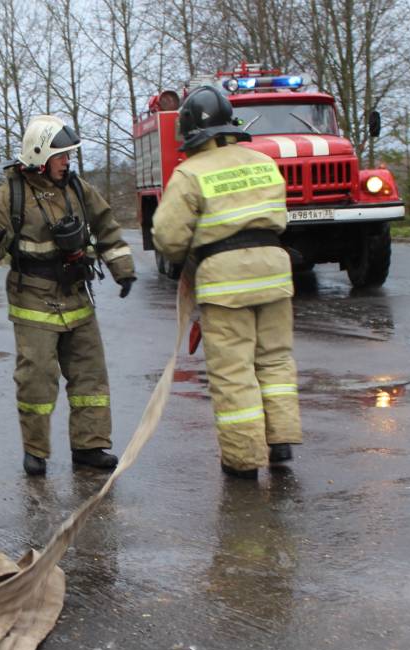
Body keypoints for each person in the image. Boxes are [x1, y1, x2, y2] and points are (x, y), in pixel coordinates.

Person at [0, 115, 136, 476]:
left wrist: (123, 269)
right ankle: (36, 451)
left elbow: (106, 226)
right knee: (37, 379)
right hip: (33, 299)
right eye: (62, 156)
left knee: (90, 376)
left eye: (69, 155)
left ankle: (90, 447)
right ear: (40, 155)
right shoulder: (12, 193)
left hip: (78, 295)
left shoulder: (78, 189)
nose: (68, 162)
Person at [151, 86, 302, 479]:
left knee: (233, 371)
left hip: (225, 282)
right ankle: (280, 440)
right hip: (275, 272)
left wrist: (188, 255)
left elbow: (167, 236)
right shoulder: (262, 162)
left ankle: (244, 458)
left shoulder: (190, 173)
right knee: (275, 360)